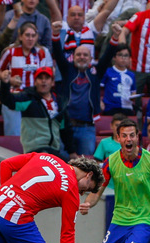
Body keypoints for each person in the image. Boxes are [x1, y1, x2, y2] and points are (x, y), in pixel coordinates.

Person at [52, 21, 121, 155]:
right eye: (78, 55)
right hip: (66, 126)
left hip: (87, 127)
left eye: (85, 55)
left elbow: (107, 56)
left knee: (86, 163)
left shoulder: (96, 72)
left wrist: (116, 36)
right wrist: (55, 34)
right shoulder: (67, 69)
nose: (82, 57)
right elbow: (57, 52)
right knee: (63, 163)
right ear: (73, 57)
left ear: (90, 58)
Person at [0, 66, 77, 160]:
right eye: (40, 78)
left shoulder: (59, 102)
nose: (43, 81)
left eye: (47, 78)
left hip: (53, 152)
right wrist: (4, 83)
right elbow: (8, 100)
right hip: (34, 152)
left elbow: (65, 130)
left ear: (52, 82)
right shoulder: (28, 98)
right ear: (35, 82)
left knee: (73, 169)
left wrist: (72, 152)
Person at [0, 22, 53, 136]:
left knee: (34, 136)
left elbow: (49, 74)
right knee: (14, 135)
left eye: (33, 35)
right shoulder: (10, 51)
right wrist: (8, 79)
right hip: (14, 98)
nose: (30, 39)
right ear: (20, 36)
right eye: (27, 35)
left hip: (35, 100)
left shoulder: (42, 52)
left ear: (37, 37)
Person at [100, 44, 136, 116]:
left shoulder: (131, 75)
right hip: (111, 108)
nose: (123, 58)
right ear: (114, 57)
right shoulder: (107, 72)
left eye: (126, 55)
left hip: (127, 108)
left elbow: (133, 91)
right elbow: (97, 89)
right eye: (120, 55)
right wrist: (100, 101)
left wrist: (133, 97)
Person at [94, 113, 124, 189]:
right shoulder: (104, 142)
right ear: (111, 126)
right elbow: (97, 162)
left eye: (122, 126)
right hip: (108, 184)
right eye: (117, 125)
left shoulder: (129, 144)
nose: (119, 128)